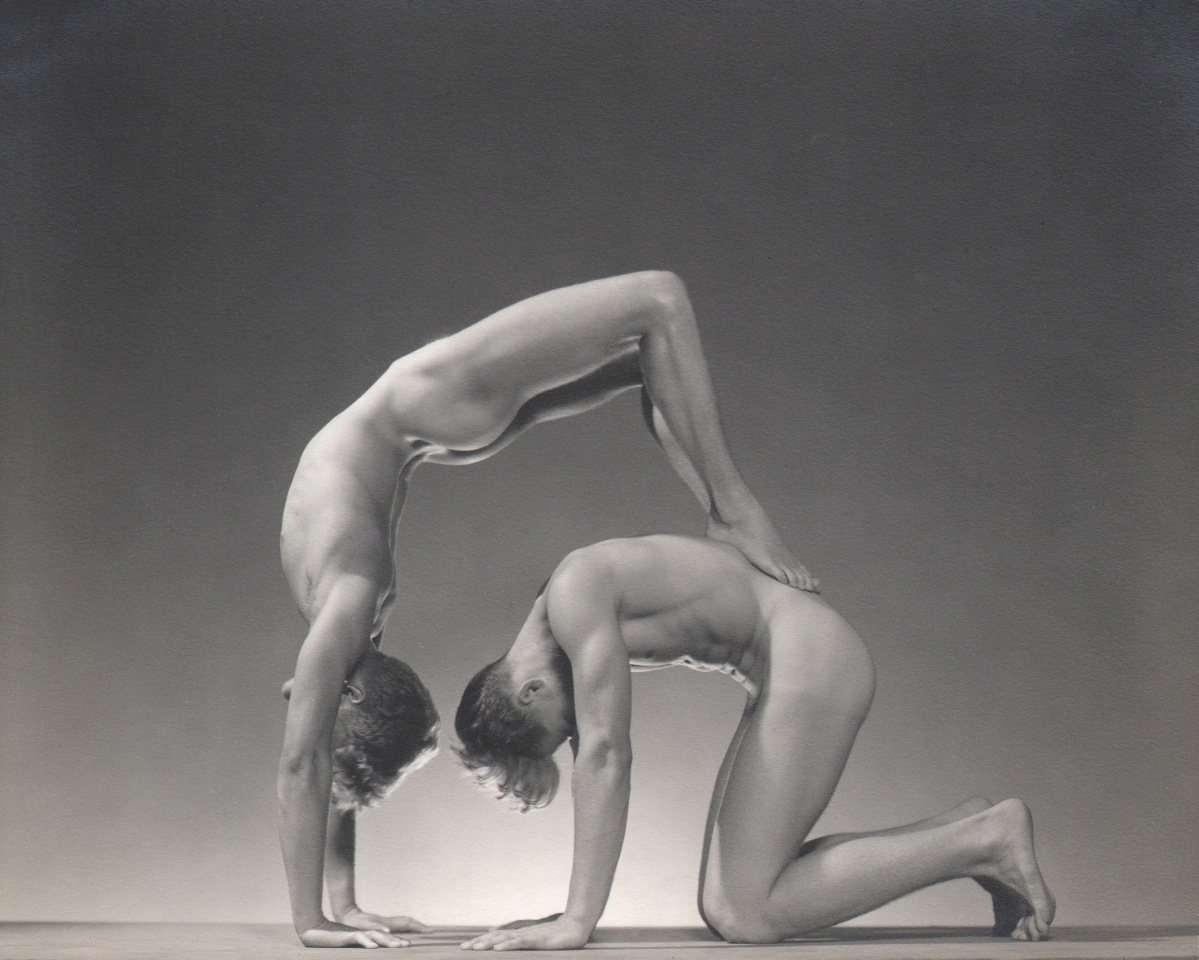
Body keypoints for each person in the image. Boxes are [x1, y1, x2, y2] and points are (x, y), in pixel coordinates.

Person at [277, 272, 815, 947]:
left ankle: (736, 512)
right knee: (655, 367)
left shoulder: (348, 606)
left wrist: (312, 923)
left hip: (427, 400)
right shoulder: (342, 620)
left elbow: (305, 762)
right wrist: (345, 905)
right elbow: (323, 756)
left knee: (657, 301)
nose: (297, 706)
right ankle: (722, 512)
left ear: (340, 693)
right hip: (436, 431)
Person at [455, 534, 1056, 950]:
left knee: (744, 911)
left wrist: (577, 920)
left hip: (812, 657)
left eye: (559, 733)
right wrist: (572, 913)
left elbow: (606, 753)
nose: (575, 734)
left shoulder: (574, 591)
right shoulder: (566, 604)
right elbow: (597, 755)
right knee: (730, 900)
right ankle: (962, 829)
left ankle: (983, 840)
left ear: (529, 691)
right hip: (793, 664)